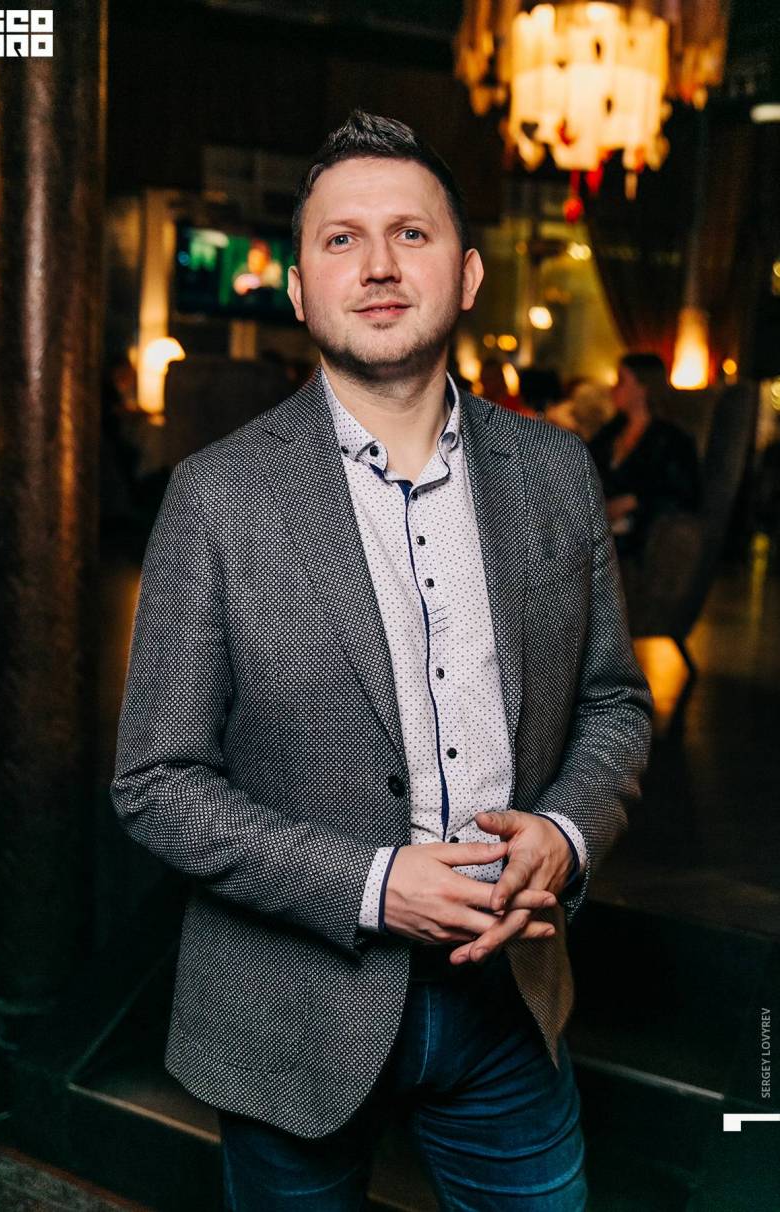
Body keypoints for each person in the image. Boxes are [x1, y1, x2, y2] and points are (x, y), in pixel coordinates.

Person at [111, 111, 652, 1211]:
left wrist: (563, 834)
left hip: (510, 1000)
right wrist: (370, 885)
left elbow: (614, 705)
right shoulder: (216, 497)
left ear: (467, 274)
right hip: (291, 1011)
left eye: (410, 233)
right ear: (300, 291)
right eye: (341, 239)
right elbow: (156, 782)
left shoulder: (555, 473)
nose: (378, 265)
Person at [589, 353, 701, 561]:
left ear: (643, 388)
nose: (613, 389)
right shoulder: (611, 431)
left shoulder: (672, 439)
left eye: (621, 381)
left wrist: (631, 502)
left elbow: (683, 492)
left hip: (635, 533)